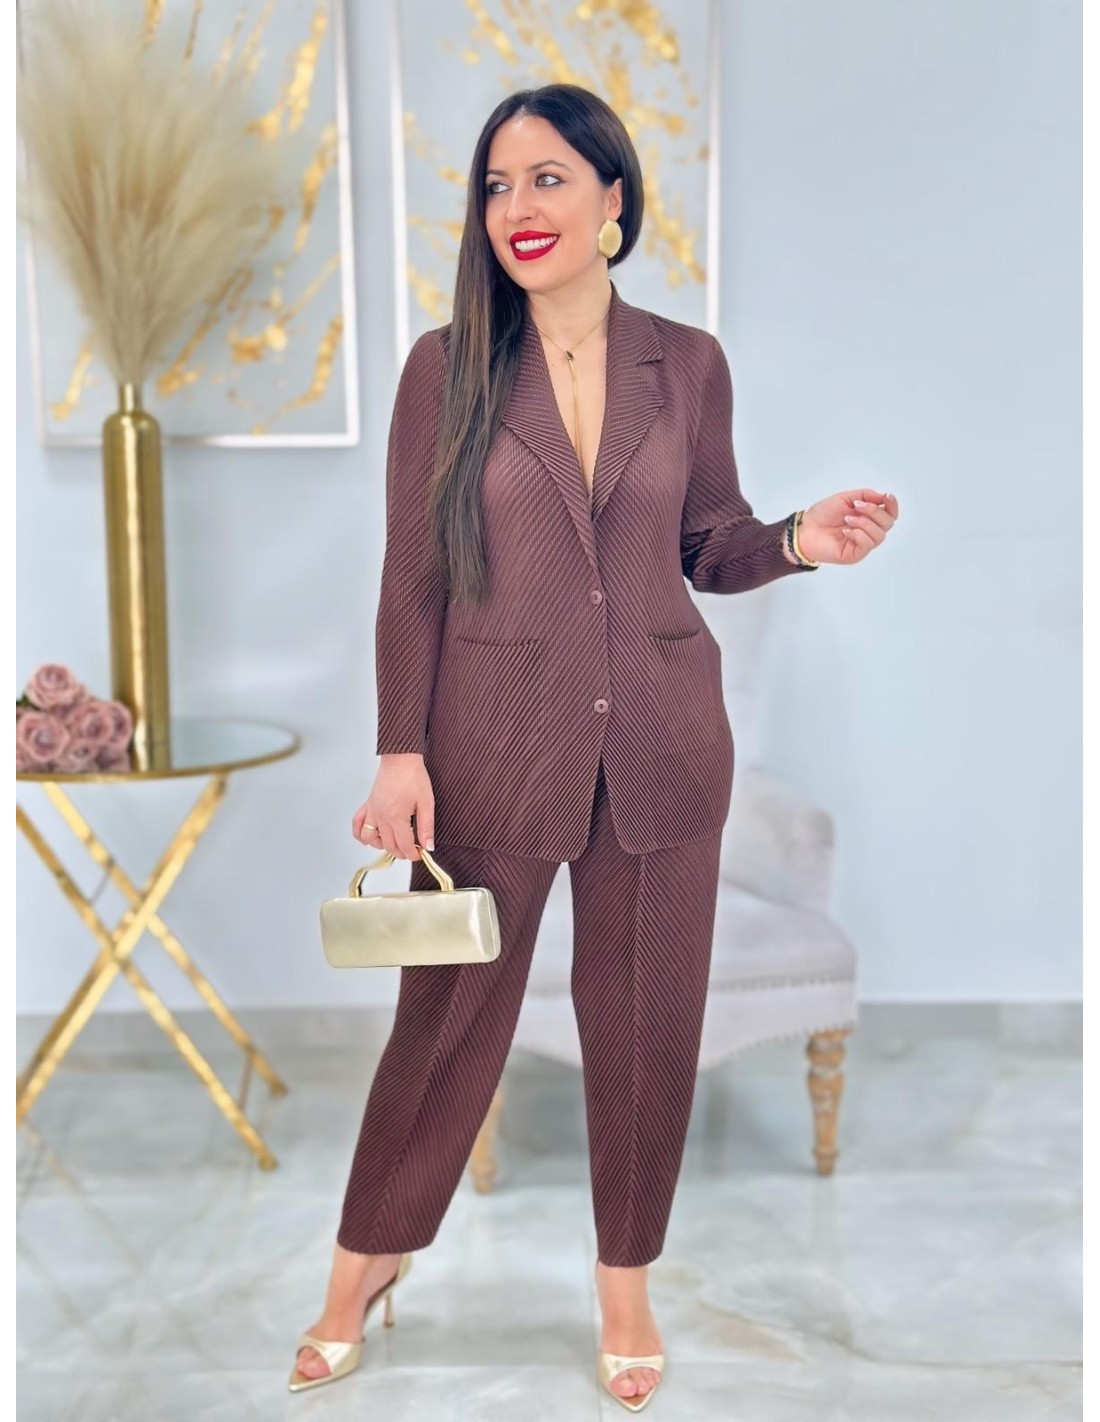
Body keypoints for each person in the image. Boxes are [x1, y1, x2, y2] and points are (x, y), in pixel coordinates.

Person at [289, 83, 898, 1409]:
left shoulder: (689, 364)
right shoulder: (446, 368)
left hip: (666, 746)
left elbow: (706, 546)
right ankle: (361, 1267)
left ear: (614, 198)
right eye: (497, 185)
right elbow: (414, 578)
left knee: (644, 1033)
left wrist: (797, 540)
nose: (518, 207)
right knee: (444, 1026)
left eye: (549, 178)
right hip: (490, 743)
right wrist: (399, 750)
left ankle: (627, 1287)